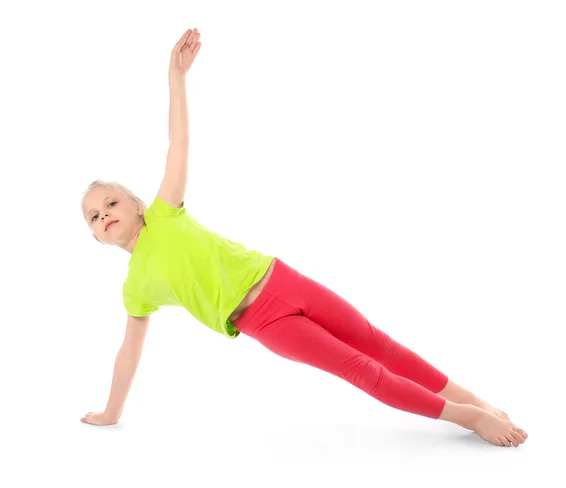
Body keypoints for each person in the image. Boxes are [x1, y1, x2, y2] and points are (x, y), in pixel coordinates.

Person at [79, 28, 528, 448]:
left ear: (136, 204)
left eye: (111, 203)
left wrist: (175, 77)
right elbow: (128, 352)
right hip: (263, 321)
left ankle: (478, 401)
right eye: (95, 217)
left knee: (377, 343)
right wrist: (111, 411)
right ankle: (467, 418)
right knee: (361, 369)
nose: (105, 215)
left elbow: (178, 142)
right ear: (97, 239)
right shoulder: (134, 288)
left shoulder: (165, 213)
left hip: (281, 278)